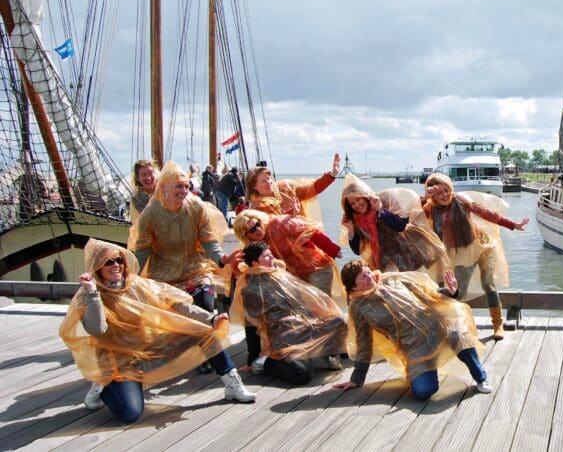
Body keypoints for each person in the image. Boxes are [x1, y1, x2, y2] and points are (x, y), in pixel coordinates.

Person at [59, 239, 255, 423]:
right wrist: (93, 294)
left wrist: (210, 318)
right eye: (108, 262)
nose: (116, 265)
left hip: (150, 346)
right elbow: (97, 329)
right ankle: (102, 385)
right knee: (130, 414)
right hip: (120, 360)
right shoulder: (88, 294)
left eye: (119, 260)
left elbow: (176, 303)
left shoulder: (137, 284)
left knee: (203, 332)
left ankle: (232, 384)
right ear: (97, 267)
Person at [331, 260, 493, 400]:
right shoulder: (359, 307)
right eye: (363, 277)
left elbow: (428, 293)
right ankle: (428, 366)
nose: (369, 277)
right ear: (353, 286)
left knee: (458, 335)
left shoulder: (391, 280)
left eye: (368, 272)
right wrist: (357, 379)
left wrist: (451, 292)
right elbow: (364, 343)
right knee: (423, 391)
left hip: (436, 327)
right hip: (415, 346)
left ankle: (481, 378)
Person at [413, 173, 528, 340]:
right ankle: (456, 326)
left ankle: (497, 324)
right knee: (458, 291)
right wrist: (424, 198)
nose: (444, 195)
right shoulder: (429, 208)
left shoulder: (460, 200)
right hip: (461, 254)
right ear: (432, 195)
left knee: (488, 284)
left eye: (446, 190)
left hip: (483, 247)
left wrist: (512, 224)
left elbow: (485, 213)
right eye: (438, 193)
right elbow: (414, 219)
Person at [229, 242, 349, 385]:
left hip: (302, 325)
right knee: (302, 374)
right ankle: (264, 363)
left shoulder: (280, 275)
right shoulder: (250, 289)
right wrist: (252, 357)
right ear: (255, 263)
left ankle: (324, 355)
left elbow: (302, 302)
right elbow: (250, 324)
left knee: (340, 321)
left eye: (271, 255)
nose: (272, 258)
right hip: (282, 337)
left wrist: (321, 316)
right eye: (266, 256)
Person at [133, 161, 232, 315]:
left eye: (186, 186)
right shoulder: (149, 214)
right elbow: (142, 250)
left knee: (205, 309)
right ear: (164, 186)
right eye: (179, 186)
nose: (184, 191)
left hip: (196, 273)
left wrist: (221, 258)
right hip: (163, 278)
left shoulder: (197, 207)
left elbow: (208, 241)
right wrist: (130, 276)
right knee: (172, 318)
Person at [340, 174, 450, 278]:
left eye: (358, 199)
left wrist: (380, 209)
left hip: (406, 254)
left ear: (364, 196)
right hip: (383, 261)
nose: (357, 205)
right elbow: (358, 250)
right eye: (352, 203)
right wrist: (351, 230)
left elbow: (401, 225)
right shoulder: (356, 219)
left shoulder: (385, 200)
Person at [245, 153, 340, 219]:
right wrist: (292, 212)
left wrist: (332, 175)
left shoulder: (285, 188)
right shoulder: (256, 209)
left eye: (268, 178)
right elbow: (271, 226)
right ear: (254, 186)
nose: (268, 182)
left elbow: (311, 189)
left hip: (304, 234)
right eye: (263, 181)